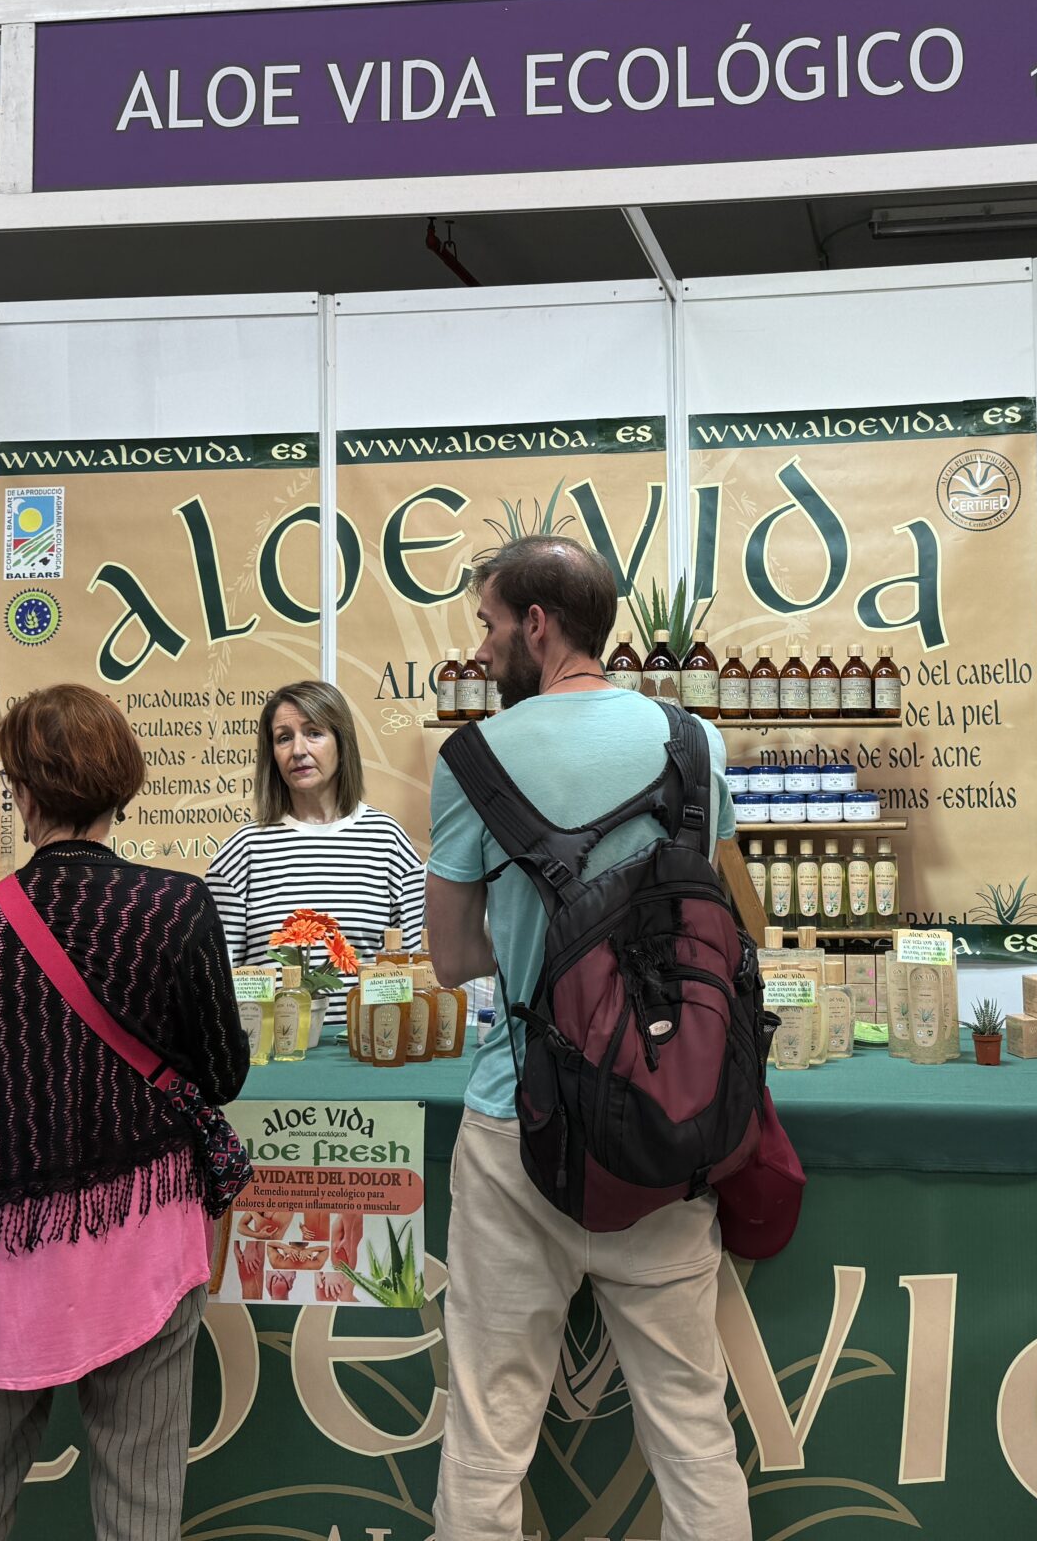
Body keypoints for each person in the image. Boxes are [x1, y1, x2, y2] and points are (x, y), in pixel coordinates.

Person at [424, 538, 748, 1540]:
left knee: (489, 1428)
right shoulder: (694, 743)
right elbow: (735, 921)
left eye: (488, 624)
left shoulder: (473, 760)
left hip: (518, 1123)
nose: (482, 648)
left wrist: (535, 941)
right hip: (666, 1116)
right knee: (692, 1424)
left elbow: (450, 958)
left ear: (536, 624)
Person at [0, 683, 246, 1541]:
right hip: (138, 1239)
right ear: (122, 786)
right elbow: (221, 1073)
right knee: (140, 1515)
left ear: (21, 795)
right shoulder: (176, 905)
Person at [207, 678, 424, 1041]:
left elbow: (416, 969)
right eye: (283, 738)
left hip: (368, 1054)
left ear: (342, 742)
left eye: (314, 733)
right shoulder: (242, 850)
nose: (298, 750)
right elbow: (216, 979)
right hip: (272, 1056)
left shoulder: (388, 841)